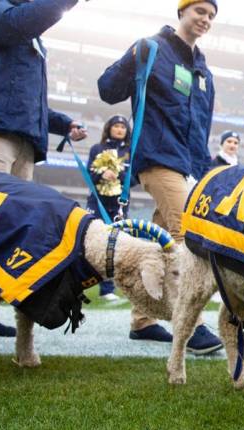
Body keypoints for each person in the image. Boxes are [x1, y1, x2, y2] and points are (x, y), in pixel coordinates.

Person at [0, 0, 87, 338]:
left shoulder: (32, 37)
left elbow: (32, 99)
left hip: (23, 141)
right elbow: (17, 24)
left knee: (5, 235)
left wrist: (63, 123)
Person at [97, 0, 222, 353]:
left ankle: (142, 320)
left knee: (159, 245)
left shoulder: (203, 72)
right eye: (200, 11)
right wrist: (131, 60)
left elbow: (201, 128)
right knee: (186, 241)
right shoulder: (151, 48)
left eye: (212, 15)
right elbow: (108, 90)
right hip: (157, 156)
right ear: (181, 11)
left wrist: (205, 172)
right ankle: (191, 325)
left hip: (187, 165)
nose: (205, 19)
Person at [85, 115, 132, 302]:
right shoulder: (97, 148)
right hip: (97, 202)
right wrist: (102, 174)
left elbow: (135, 178)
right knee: (89, 243)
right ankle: (77, 286)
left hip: (119, 205)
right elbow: (89, 172)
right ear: (109, 128)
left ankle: (107, 289)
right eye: (116, 126)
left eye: (123, 126)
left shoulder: (130, 151)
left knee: (114, 245)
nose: (120, 129)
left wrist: (120, 175)